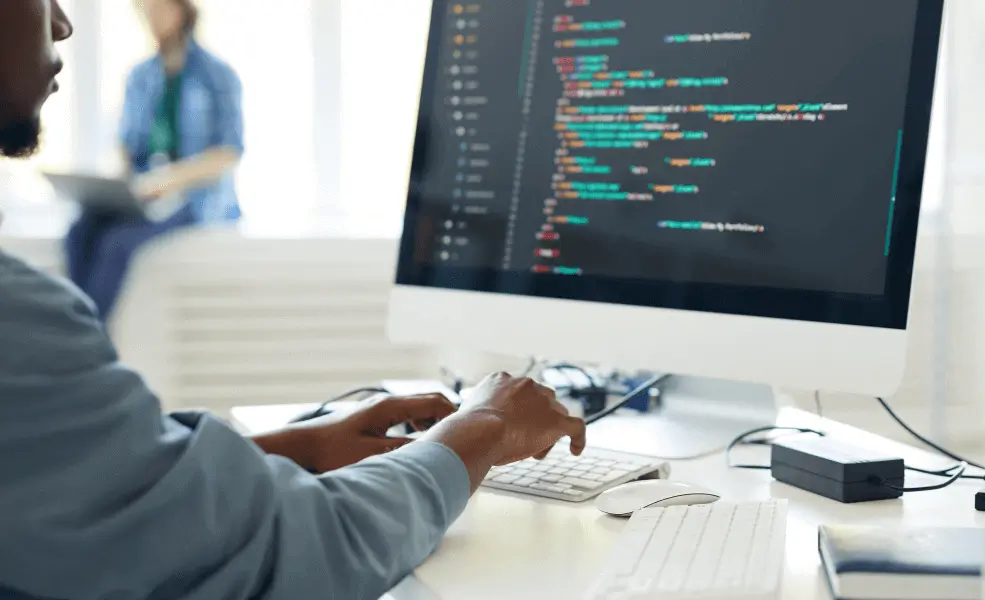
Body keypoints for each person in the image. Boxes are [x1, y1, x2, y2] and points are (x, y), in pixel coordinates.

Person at [0, 2, 588, 599]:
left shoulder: (210, 72)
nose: (62, 21)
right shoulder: (16, 316)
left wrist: (302, 443)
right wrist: (484, 425)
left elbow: (82, 479)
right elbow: (302, 550)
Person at [64, 0, 245, 323]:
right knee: (80, 230)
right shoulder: (141, 76)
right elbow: (128, 146)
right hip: (145, 192)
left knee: (117, 243)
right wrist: (117, 189)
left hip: (193, 197)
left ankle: (88, 335)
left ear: (182, 10)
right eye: (146, 12)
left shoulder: (216, 75)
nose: (151, 19)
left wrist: (169, 180)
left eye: (159, 9)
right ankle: (74, 329)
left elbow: (227, 152)